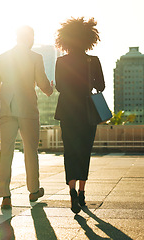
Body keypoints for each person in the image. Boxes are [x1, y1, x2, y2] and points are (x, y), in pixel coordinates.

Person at [0, 26, 53, 209]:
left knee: (6, 150)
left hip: (7, 107)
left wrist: (9, 90)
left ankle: (5, 196)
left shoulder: (2, 57)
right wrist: (50, 89)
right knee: (30, 150)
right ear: (30, 38)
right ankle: (33, 190)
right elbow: (41, 82)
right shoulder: (35, 57)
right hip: (27, 107)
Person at [54, 17, 105, 214]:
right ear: (87, 39)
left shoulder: (61, 61)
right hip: (86, 111)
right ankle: (82, 193)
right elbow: (100, 86)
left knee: (70, 151)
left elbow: (59, 86)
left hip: (67, 111)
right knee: (85, 151)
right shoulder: (93, 61)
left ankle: (72, 192)